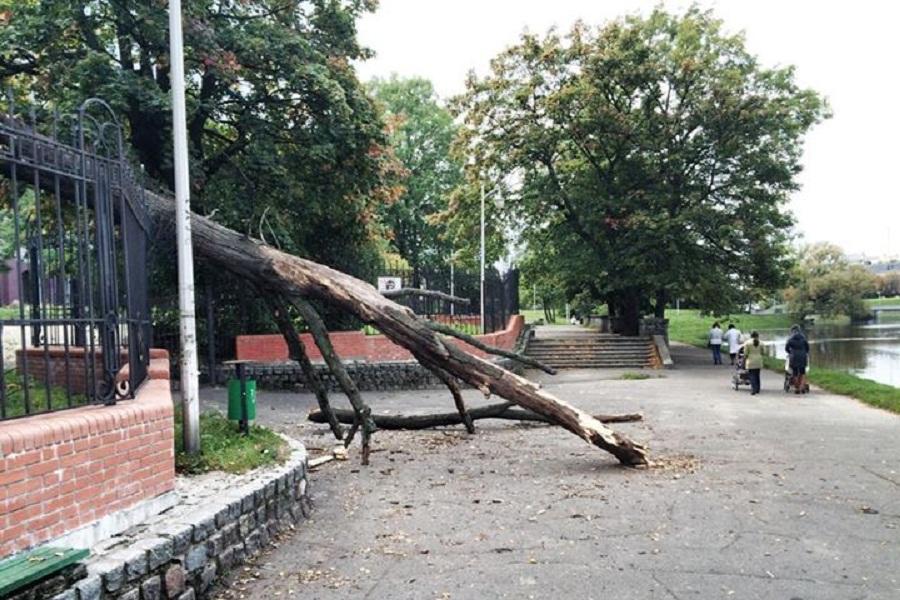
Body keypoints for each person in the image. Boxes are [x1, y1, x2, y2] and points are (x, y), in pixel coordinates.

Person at [785, 324, 810, 394]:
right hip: (803, 356)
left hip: (794, 357)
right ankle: (801, 387)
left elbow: (786, 348)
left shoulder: (790, 339)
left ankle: (797, 388)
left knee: (795, 373)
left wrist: (790, 352)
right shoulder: (803, 338)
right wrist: (804, 353)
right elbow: (807, 348)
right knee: (802, 373)